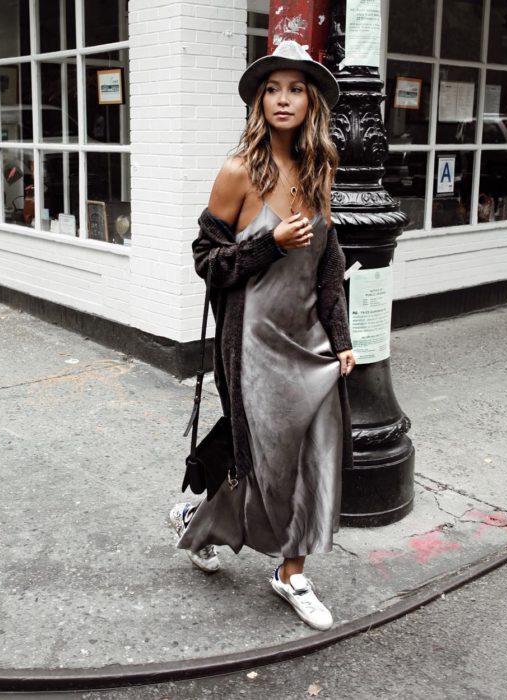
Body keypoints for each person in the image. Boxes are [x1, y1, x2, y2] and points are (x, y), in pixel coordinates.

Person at [169, 40, 355, 631]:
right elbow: (206, 260)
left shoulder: (321, 167)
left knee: (316, 457)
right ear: (258, 101)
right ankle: (201, 521)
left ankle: (290, 572)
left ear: (311, 101)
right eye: (272, 89)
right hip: (253, 346)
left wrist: (343, 335)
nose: (283, 99)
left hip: (313, 343)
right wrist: (267, 243)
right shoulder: (238, 172)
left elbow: (329, 263)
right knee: (267, 464)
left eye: (295, 88)